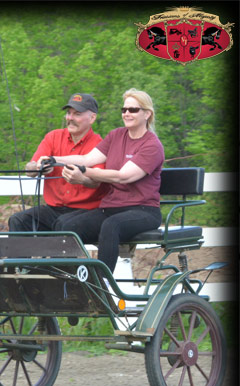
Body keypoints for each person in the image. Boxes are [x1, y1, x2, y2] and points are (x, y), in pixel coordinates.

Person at [45, 88, 164, 272]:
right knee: (66, 224)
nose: (127, 113)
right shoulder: (116, 135)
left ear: (147, 114)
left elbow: (123, 176)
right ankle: (65, 279)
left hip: (143, 210)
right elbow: (86, 159)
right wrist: (55, 160)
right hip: (111, 207)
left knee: (112, 225)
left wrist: (85, 172)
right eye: (124, 110)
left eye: (133, 110)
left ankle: (101, 282)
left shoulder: (152, 145)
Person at [8, 93, 109, 232]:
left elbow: (97, 181)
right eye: (68, 113)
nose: (70, 118)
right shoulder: (53, 137)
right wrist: (38, 168)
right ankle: (22, 254)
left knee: (64, 225)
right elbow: (29, 169)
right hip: (53, 209)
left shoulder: (99, 145)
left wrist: (81, 179)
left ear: (92, 118)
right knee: (18, 220)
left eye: (77, 114)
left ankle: (58, 255)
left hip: (85, 211)